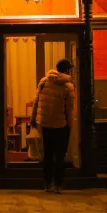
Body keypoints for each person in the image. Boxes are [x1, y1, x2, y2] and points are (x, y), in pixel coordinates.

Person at [31, 58, 76, 193]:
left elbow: (36, 101)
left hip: (45, 124)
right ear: (67, 70)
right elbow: (69, 109)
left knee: (48, 154)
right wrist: (71, 126)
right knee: (60, 156)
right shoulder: (68, 86)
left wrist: (33, 118)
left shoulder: (44, 81)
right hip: (61, 125)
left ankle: (47, 183)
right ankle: (58, 184)